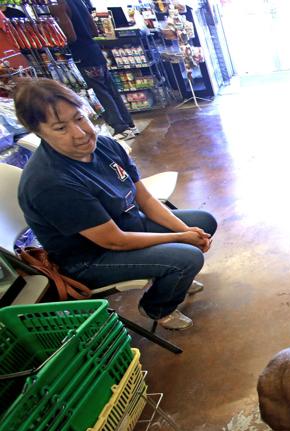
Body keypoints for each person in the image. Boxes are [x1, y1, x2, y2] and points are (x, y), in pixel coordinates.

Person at [15, 79, 217, 330]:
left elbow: (143, 198)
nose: (79, 133)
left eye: (79, 118)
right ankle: (157, 307)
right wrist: (180, 238)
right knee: (187, 257)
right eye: (60, 128)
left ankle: (172, 276)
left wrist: (185, 231)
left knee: (203, 223)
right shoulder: (51, 182)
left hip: (127, 223)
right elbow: (114, 241)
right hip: (91, 258)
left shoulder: (105, 145)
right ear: (39, 132)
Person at [52, 0, 139, 141]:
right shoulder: (79, 2)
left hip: (82, 54)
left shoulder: (58, 5)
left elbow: (70, 36)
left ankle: (120, 128)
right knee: (110, 90)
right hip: (94, 50)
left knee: (100, 92)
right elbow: (94, 31)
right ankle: (129, 125)